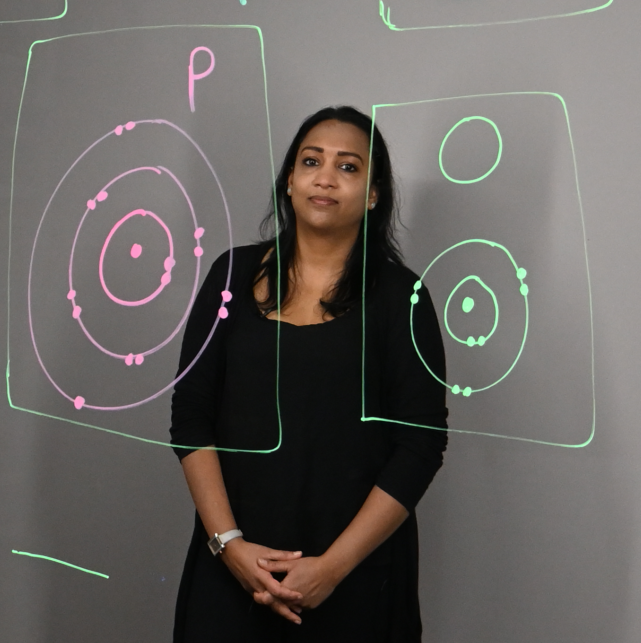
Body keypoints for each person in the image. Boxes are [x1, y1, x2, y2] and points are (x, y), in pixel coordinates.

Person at [170, 106, 447, 642]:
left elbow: (421, 446)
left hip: (355, 583)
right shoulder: (230, 275)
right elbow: (190, 418)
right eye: (311, 161)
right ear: (290, 183)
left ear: (373, 195)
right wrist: (228, 545)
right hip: (234, 572)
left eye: (348, 167)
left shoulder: (402, 299)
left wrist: (332, 568)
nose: (325, 177)